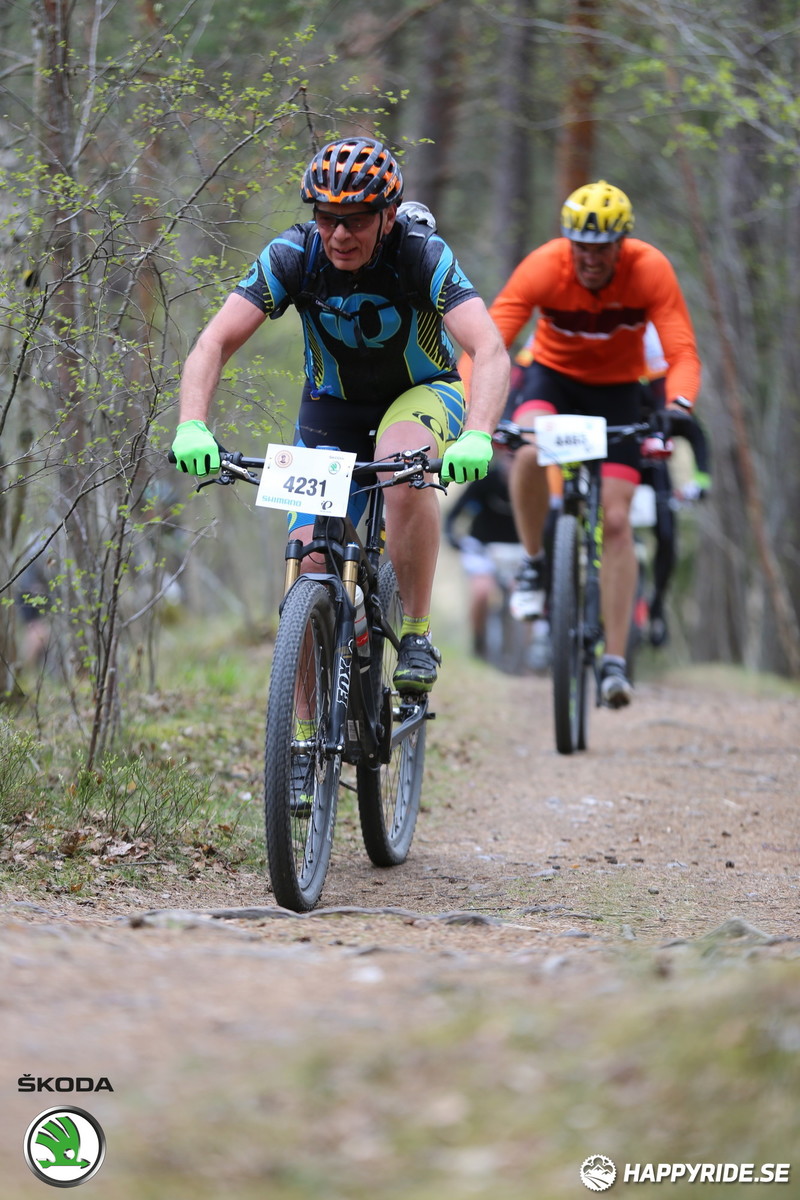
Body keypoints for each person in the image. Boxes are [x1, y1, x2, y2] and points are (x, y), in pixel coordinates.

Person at [171, 137, 509, 694]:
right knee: (308, 563)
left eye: (355, 220)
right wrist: (192, 423)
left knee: (401, 468)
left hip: (420, 394)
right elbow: (213, 343)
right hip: (330, 408)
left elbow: (490, 349)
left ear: (389, 216)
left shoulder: (420, 252)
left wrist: (478, 434)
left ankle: (417, 633)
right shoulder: (292, 255)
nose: (340, 235)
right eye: (327, 219)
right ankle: (301, 744)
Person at [471, 179, 701, 708]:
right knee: (527, 449)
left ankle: (615, 663)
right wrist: (473, 411)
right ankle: (534, 560)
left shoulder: (650, 270)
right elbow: (489, 342)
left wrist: (678, 407)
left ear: (622, 245)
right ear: (567, 241)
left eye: (602, 249)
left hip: (619, 394)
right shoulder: (543, 267)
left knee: (617, 523)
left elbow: (683, 352)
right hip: (552, 380)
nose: (590, 259)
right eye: (582, 247)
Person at [443, 449, 519, 658]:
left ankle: (521, 655)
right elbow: (454, 515)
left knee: (521, 598)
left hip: (518, 552)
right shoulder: (485, 481)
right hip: (482, 548)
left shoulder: (534, 485)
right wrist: (453, 538)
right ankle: (478, 642)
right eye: (510, 457)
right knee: (481, 592)